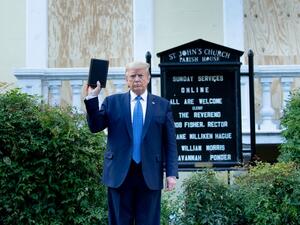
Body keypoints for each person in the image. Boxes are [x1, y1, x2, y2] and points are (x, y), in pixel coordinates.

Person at [84, 61, 178, 225]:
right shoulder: (112, 102)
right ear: (126, 79)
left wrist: (171, 173)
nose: (137, 79)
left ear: (148, 78)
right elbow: (95, 126)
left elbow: (170, 143)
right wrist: (92, 97)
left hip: (150, 175)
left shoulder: (162, 105)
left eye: (140, 75)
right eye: (132, 76)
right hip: (119, 174)